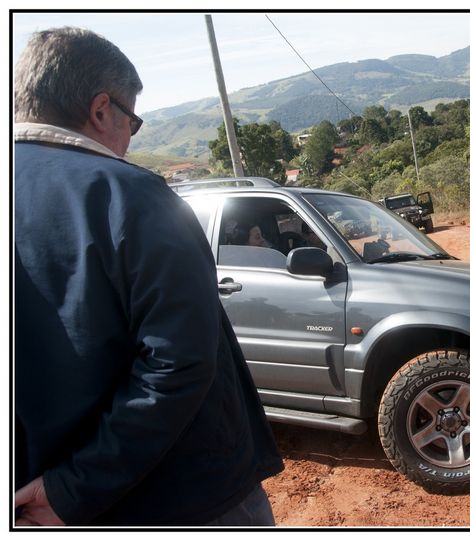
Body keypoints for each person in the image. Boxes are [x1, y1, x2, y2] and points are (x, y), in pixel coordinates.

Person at [14, 27, 284, 526]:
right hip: (183, 497)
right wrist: (72, 488)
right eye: (133, 121)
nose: (129, 139)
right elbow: (177, 363)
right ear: (101, 110)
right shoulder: (131, 196)